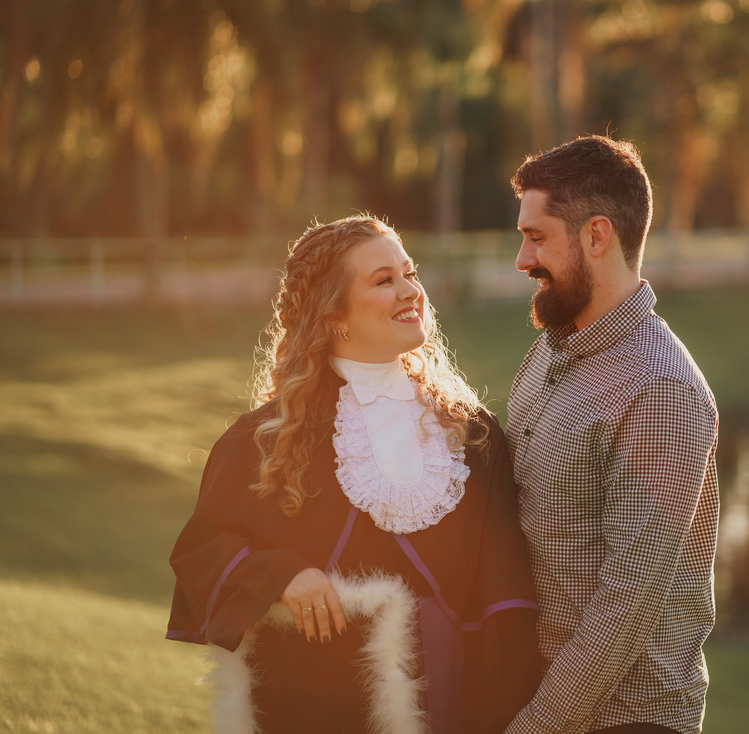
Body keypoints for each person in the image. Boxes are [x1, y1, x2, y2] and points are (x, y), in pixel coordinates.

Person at [166, 215, 540, 734]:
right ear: (332, 316)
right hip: (310, 707)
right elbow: (202, 552)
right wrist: (282, 575)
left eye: (410, 273)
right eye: (384, 281)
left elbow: (507, 594)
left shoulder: (474, 437)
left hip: (455, 702)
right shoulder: (266, 438)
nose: (411, 291)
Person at [504, 136, 720, 734]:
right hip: (546, 698)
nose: (522, 260)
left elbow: (625, 603)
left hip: (624, 721)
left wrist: (535, 727)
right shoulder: (551, 351)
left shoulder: (660, 389)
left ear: (596, 236)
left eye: (536, 237)